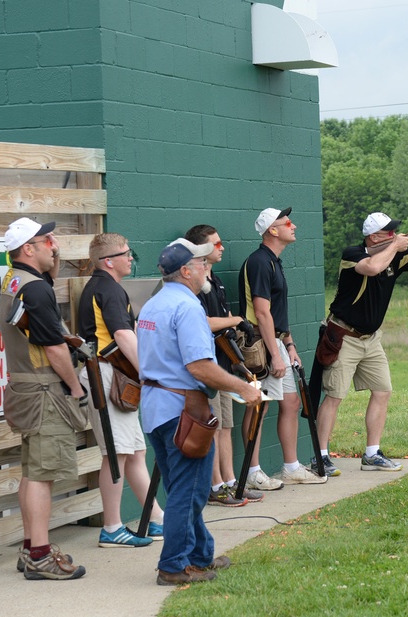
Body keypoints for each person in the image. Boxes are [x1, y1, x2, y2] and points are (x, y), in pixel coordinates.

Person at [137, 238, 262, 586]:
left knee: (182, 487)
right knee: (188, 492)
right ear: (186, 271)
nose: (207, 268)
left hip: (157, 409)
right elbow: (200, 368)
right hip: (183, 410)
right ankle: (174, 566)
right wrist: (243, 388)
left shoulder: (153, 304)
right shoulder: (188, 307)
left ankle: (200, 555)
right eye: (202, 264)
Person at [314, 212, 408, 471]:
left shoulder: (395, 256)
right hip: (344, 335)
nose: (395, 235)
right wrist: (395, 246)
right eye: (389, 232)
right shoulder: (353, 254)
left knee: (383, 391)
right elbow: (372, 268)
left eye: (394, 232)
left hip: (371, 338)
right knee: (334, 396)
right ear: (374, 237)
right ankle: (320, 456)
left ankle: (372, 454)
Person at [0, 217, 88, 580]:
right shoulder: (36, 289)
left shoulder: (15, 280)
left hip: (25, 386)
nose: (54, 243)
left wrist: (53, 257)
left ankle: (30, 547)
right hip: (45, 390)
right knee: (42, 474)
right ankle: (39, 556)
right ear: (28, 249)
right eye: (46, 239)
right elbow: (53, 348)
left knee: (32, 470)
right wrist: (76, 387)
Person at [77, 233, 164, 547]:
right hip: (105, 374)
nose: (131, 258)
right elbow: (124, 337)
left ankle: (156, 518)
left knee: (134, 451)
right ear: (108, 261)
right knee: (115, 455)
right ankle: (111, 528)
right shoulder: (109, 289)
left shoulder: (105, 287)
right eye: (127, 253)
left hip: (111, 374)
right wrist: (152, 375)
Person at [237, 207, 328, 489]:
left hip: (276, 342)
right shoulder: (259, 262)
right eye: (287, 222)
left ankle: (290, 467)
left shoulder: (274, 261)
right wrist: (275, 354)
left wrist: (288, 344)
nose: (294, 226)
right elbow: (262, 313)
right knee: (259, 407)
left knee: (291, 402)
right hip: (260, 344)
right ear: (272, 231)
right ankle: (252, 473)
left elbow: (276, 312)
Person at [183, 224, 265, 507]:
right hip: (206, 368)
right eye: (216, 244)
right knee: (214, 427)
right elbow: (203, 323)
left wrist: (233, 330)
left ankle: (232, 482)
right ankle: (215, 485)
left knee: (226, 426)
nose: (222, 248)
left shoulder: (214, 281)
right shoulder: (194, 285)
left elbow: (223, 321)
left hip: (224, 363)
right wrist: (236, 320)